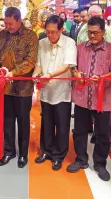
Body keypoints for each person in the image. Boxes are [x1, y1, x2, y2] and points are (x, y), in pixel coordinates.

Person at [67, 16, 111, 182]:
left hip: (102, 99)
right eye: (90, 33)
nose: (92, 36)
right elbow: (72, 67)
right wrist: (76, 73)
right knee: (80, 131)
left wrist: (103, 78)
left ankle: (100, 164)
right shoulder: (80, 48)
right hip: (82, 97)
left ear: (104, 32)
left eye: (96, 33)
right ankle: (81, 159)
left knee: (102, 134)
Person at [0, 7, 38, 168]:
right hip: (4, 87)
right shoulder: (2, 34)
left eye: (10, 23)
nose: (7, 26)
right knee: (8, 121)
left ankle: (23, 155)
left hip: (23, 88)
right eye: (6, 23)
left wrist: (13, 72)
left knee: (23, 122)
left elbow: (31, 61)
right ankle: (9, 151)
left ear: (19, 20)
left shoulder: (31, 36)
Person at [33, 15, 77, 171]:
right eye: (48, 31)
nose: (50, 35)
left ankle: (58, 155)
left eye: (53, 32)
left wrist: (50, 75)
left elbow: (66, 66)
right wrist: (36, 75)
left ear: (61, 30)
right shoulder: (42, 43)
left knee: (62, 125)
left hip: (62, 92)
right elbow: (38, 64)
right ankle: (46, 151)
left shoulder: (70, 43)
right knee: (47, 123)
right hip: (46, 91)